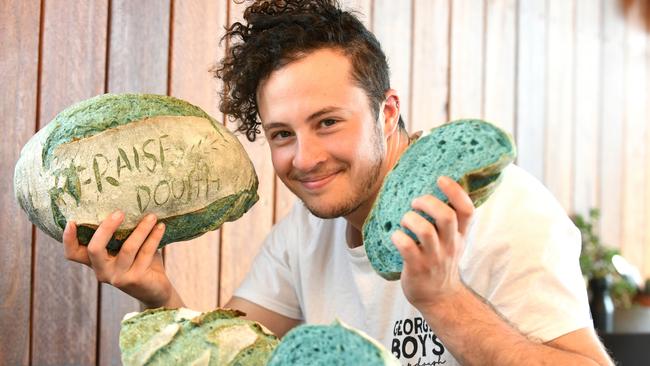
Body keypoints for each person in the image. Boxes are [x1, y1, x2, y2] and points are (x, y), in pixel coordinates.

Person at [63, 1, 614, 365]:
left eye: (328, 122)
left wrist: (444, 299)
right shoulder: (301, 237)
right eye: (282, 134)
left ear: (387, 112)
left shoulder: (504, 212)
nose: (306, 158)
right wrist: (156, 297)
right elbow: (228, 355)